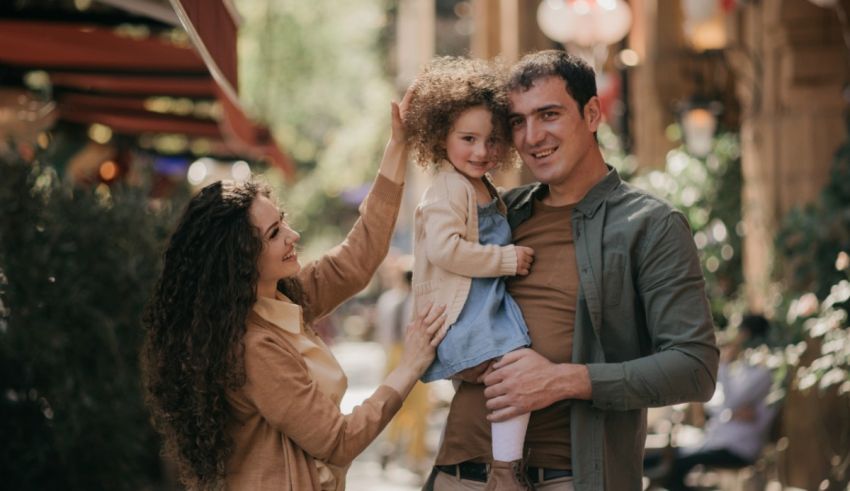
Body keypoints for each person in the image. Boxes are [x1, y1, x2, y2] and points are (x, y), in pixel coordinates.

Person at [427, 50, 719, 491]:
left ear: (592, 113)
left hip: (569, 477)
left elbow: (695, 367)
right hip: (460, 471)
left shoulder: (650, 226)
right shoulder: (503, 214)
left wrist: (564, 381)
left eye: (548, 114)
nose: (532, 136)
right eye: (518, 121)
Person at [140, 91, 449, 491]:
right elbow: (338, 440)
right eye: (274, 234)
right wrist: (409, 367)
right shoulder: (254, 347)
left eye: (282, 221)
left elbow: (358, 257)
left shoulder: (285, 298)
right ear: (239, 260)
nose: (293, 235)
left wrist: (397, 145)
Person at [406, 56, 536, 490]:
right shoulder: (448, 186)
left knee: (514, 374)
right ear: (440, 135)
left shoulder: (482, 186)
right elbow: (446, 250)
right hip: (464, 313)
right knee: (516, 373)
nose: (482, 151)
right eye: (468, 139)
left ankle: (504, 464)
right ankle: (504, 470)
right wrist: (507, 260)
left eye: (493, 140)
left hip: (486, 306)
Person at [664, 314, 776, 491]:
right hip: (724, 439)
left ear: (747, 335)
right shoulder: (747, 368)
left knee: (678, 466)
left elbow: (730, 402)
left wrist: (723, 364)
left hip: (740, 447)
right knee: (670, 461)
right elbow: (724, 406)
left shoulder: (763, 372)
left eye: (739, 332)